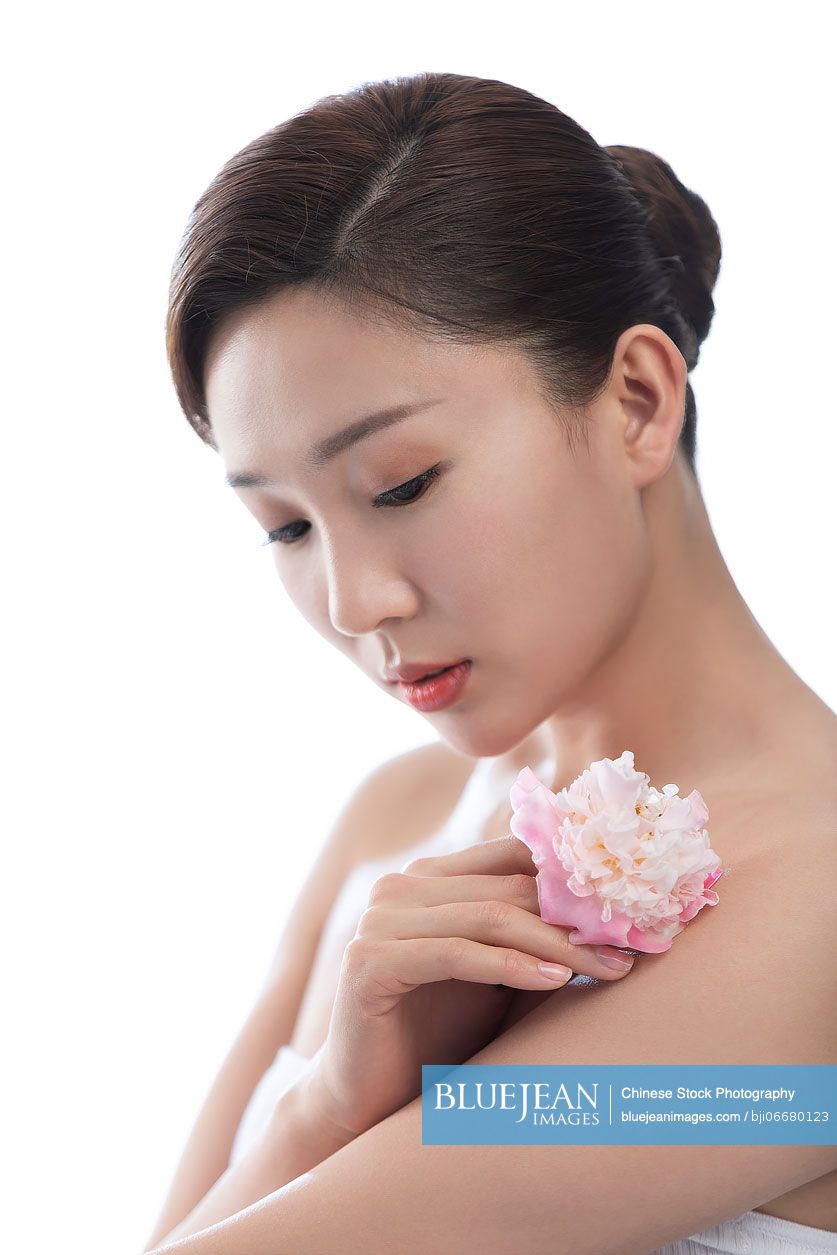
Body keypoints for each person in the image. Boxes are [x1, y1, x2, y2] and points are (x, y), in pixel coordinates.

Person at [142, 71, 837, 1253]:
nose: (357, 600)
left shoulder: (819, 905)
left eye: (402, 484)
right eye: (287, 528)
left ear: (634, 398)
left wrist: (339, 1107)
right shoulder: (392, 824)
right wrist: (328, 1099)